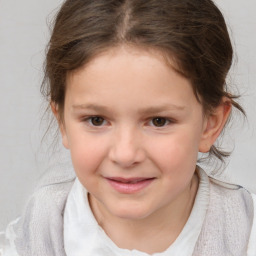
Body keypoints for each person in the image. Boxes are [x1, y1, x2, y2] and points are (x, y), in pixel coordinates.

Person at [0, 0, 255, 255]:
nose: (125, 155)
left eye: (159, 121)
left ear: (210, 124)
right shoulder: (34, 236)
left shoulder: (245, 233)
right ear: (62, 122)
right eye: (96, 120)